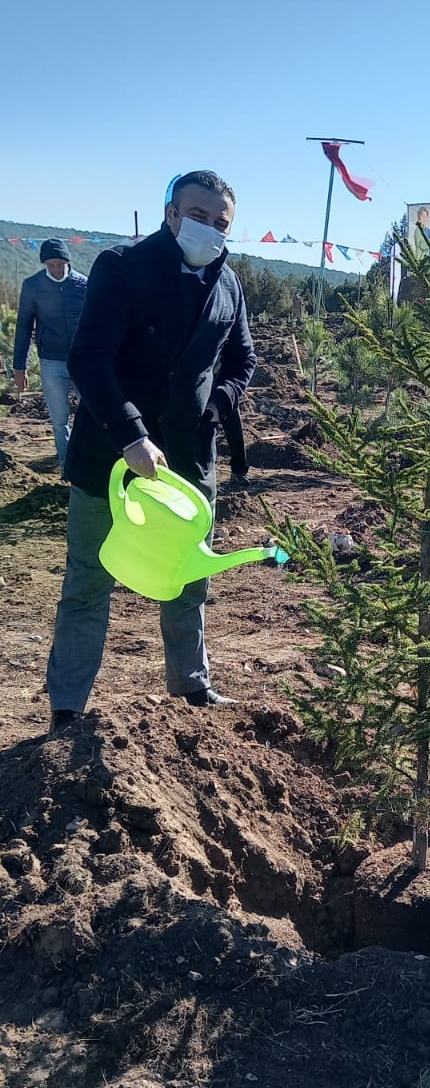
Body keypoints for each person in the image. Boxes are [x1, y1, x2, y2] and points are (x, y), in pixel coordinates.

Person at [46, 170, 256, 731]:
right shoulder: (123, 269)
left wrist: (218, 407)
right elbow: (90, 358)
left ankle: (191, 684)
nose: (208, 229)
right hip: (111, 457)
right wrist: (131, 433)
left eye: (220, 222)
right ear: (171, 214)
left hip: (187, 463)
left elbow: (241, 360)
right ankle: (67, 707)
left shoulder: (229, 285)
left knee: (189, 577)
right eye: (198, 215)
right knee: (89, 577)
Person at [13, 238, 88, 469]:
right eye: (51, 265)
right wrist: (19, 365)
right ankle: (68, 469)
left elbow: (98, 322)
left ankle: (90, 465)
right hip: (51, 362)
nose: (56, 269)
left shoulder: (84, 285)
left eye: (60, 264)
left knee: (93, 415)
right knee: (59, 420)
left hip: (82, 361)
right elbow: (24, 326)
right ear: (44, 263)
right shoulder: (32, 286)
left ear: (68, 262)